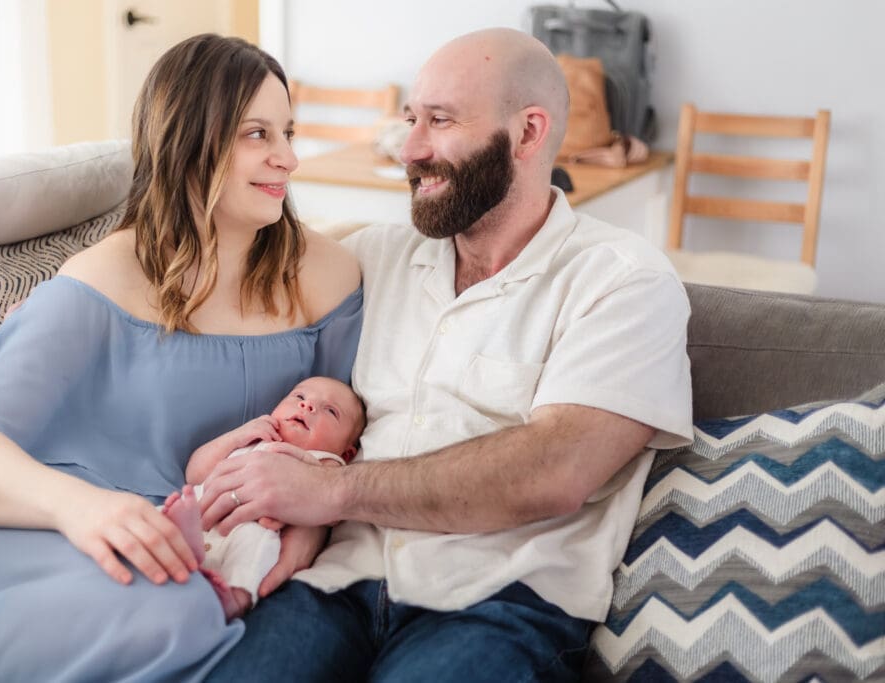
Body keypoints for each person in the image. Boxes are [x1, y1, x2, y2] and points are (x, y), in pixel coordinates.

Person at [0, 34, 361, 681]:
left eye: (288, 131)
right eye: (257, 134)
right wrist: (85, 508)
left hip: (183, 543)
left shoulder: (327, 274)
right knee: (176, 608)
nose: (289, 158)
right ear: (192, 140)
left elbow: (354, 435)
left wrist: (310, 525)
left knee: (189, 603)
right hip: (33, 521)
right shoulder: (104, 277)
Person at [200, 27, 693, 682]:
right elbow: (218, 264)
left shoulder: (621, 279)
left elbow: (555, 468)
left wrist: (332, 488)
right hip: (329, 584)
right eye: (411, 119)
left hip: (495, 603)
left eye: (439, 121)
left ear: (527, 133)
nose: (409, 149)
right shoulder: (374, 258)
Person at [163, 376, 366, 620]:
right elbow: (195, 473)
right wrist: (237, 436)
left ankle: (236, 596)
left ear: (346, 451)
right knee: (177, 508)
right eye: (299, 397)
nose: (307, 406)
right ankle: (173, 544)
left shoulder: (325, 462)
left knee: (255, 549)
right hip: (204, 509)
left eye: (331, 411)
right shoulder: (255, 437)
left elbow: (333, 504)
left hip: (256, 526)